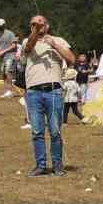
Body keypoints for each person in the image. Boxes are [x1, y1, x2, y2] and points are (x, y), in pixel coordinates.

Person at [21, 14, 74, 176]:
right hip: (33, 91)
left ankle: (58, 166)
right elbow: (28, 49)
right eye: (34, 24)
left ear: (47, 26)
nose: (37, 26)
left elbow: (72, 59)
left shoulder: (58, 40)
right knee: (37, 131)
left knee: (55, 131)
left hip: (53, 90)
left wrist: (55, 45)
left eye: (41, 23)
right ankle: (41, 166)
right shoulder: (27, 40)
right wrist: (35, 34)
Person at [0, 19, 20, 98]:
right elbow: (1, 46)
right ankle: (7, 91)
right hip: (4, 57)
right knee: (3, 74)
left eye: (0, 26)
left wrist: (3, 51)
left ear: (4, 25)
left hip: (11, 56)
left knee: (8, 72)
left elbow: (14, 46)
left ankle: (10, 91)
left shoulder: (10, 34)